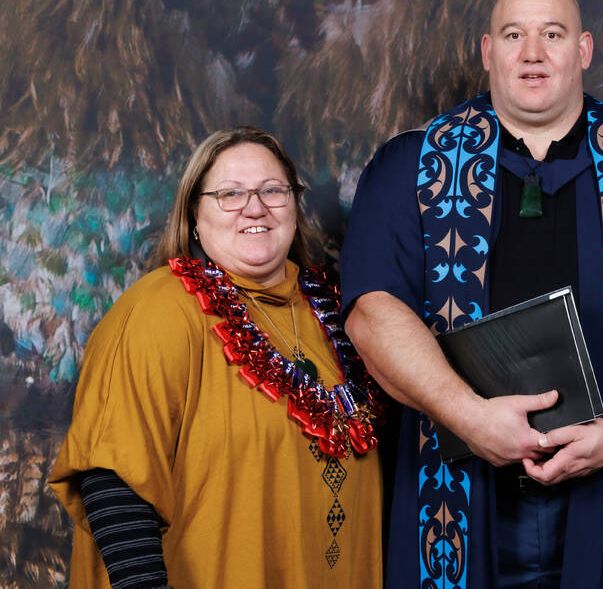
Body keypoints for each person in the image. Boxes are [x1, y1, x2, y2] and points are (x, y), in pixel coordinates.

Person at [341, 0, 603, 588]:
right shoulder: (410, 168)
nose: (532, 52)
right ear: (486, 51)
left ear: (583, 51)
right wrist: (467, 416)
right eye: (513, 35)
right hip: (458, 492)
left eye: (552, 35)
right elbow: (373, 314)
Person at [49, 127, 385, 588]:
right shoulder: (158, 311)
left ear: (294, 204)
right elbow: (113, 483)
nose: (255, 207)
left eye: (273, 190)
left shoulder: (339, 315)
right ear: (194, 216)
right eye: (230, 194)